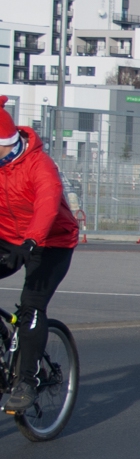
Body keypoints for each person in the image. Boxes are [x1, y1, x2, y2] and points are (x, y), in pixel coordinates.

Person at [0, 97, 79, 414]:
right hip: (7, 238)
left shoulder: (38, 164)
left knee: (31, 306)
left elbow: (48, 202)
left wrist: (32, 240)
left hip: (51, 242)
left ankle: (27, 381)